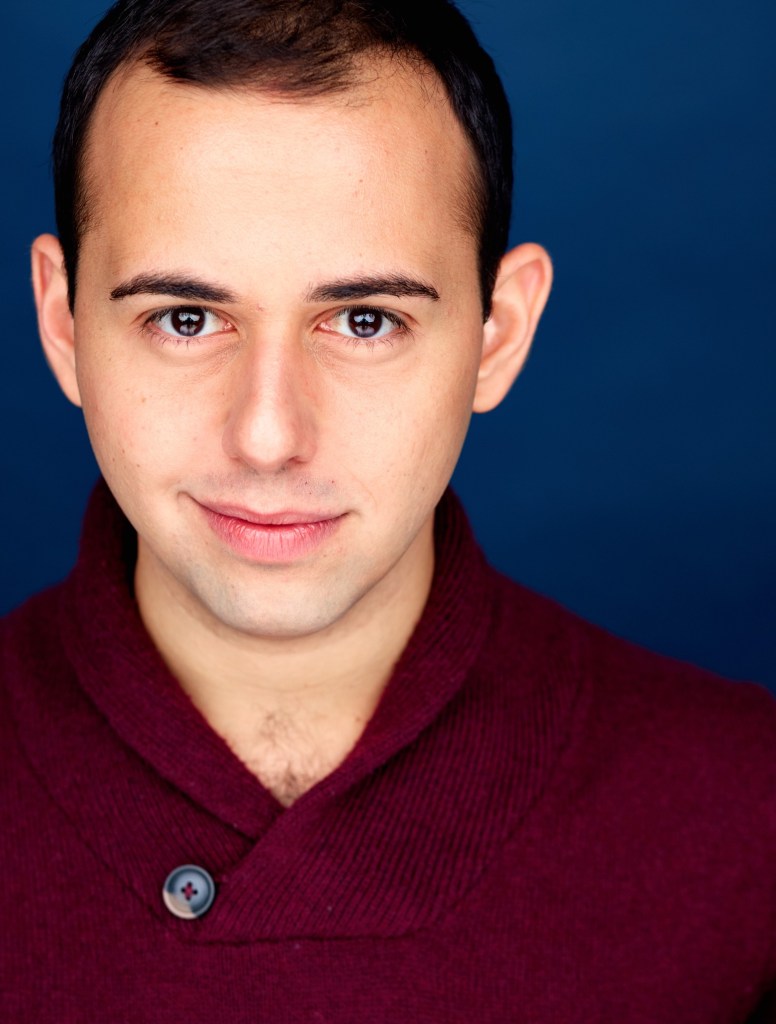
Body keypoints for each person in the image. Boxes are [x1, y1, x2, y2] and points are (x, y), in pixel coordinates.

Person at [1, 0, 774, 1019]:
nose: (267, 435)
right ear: (62, 323)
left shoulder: (748, 819)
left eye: (364, 320)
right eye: (185, 318)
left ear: (498, 334)